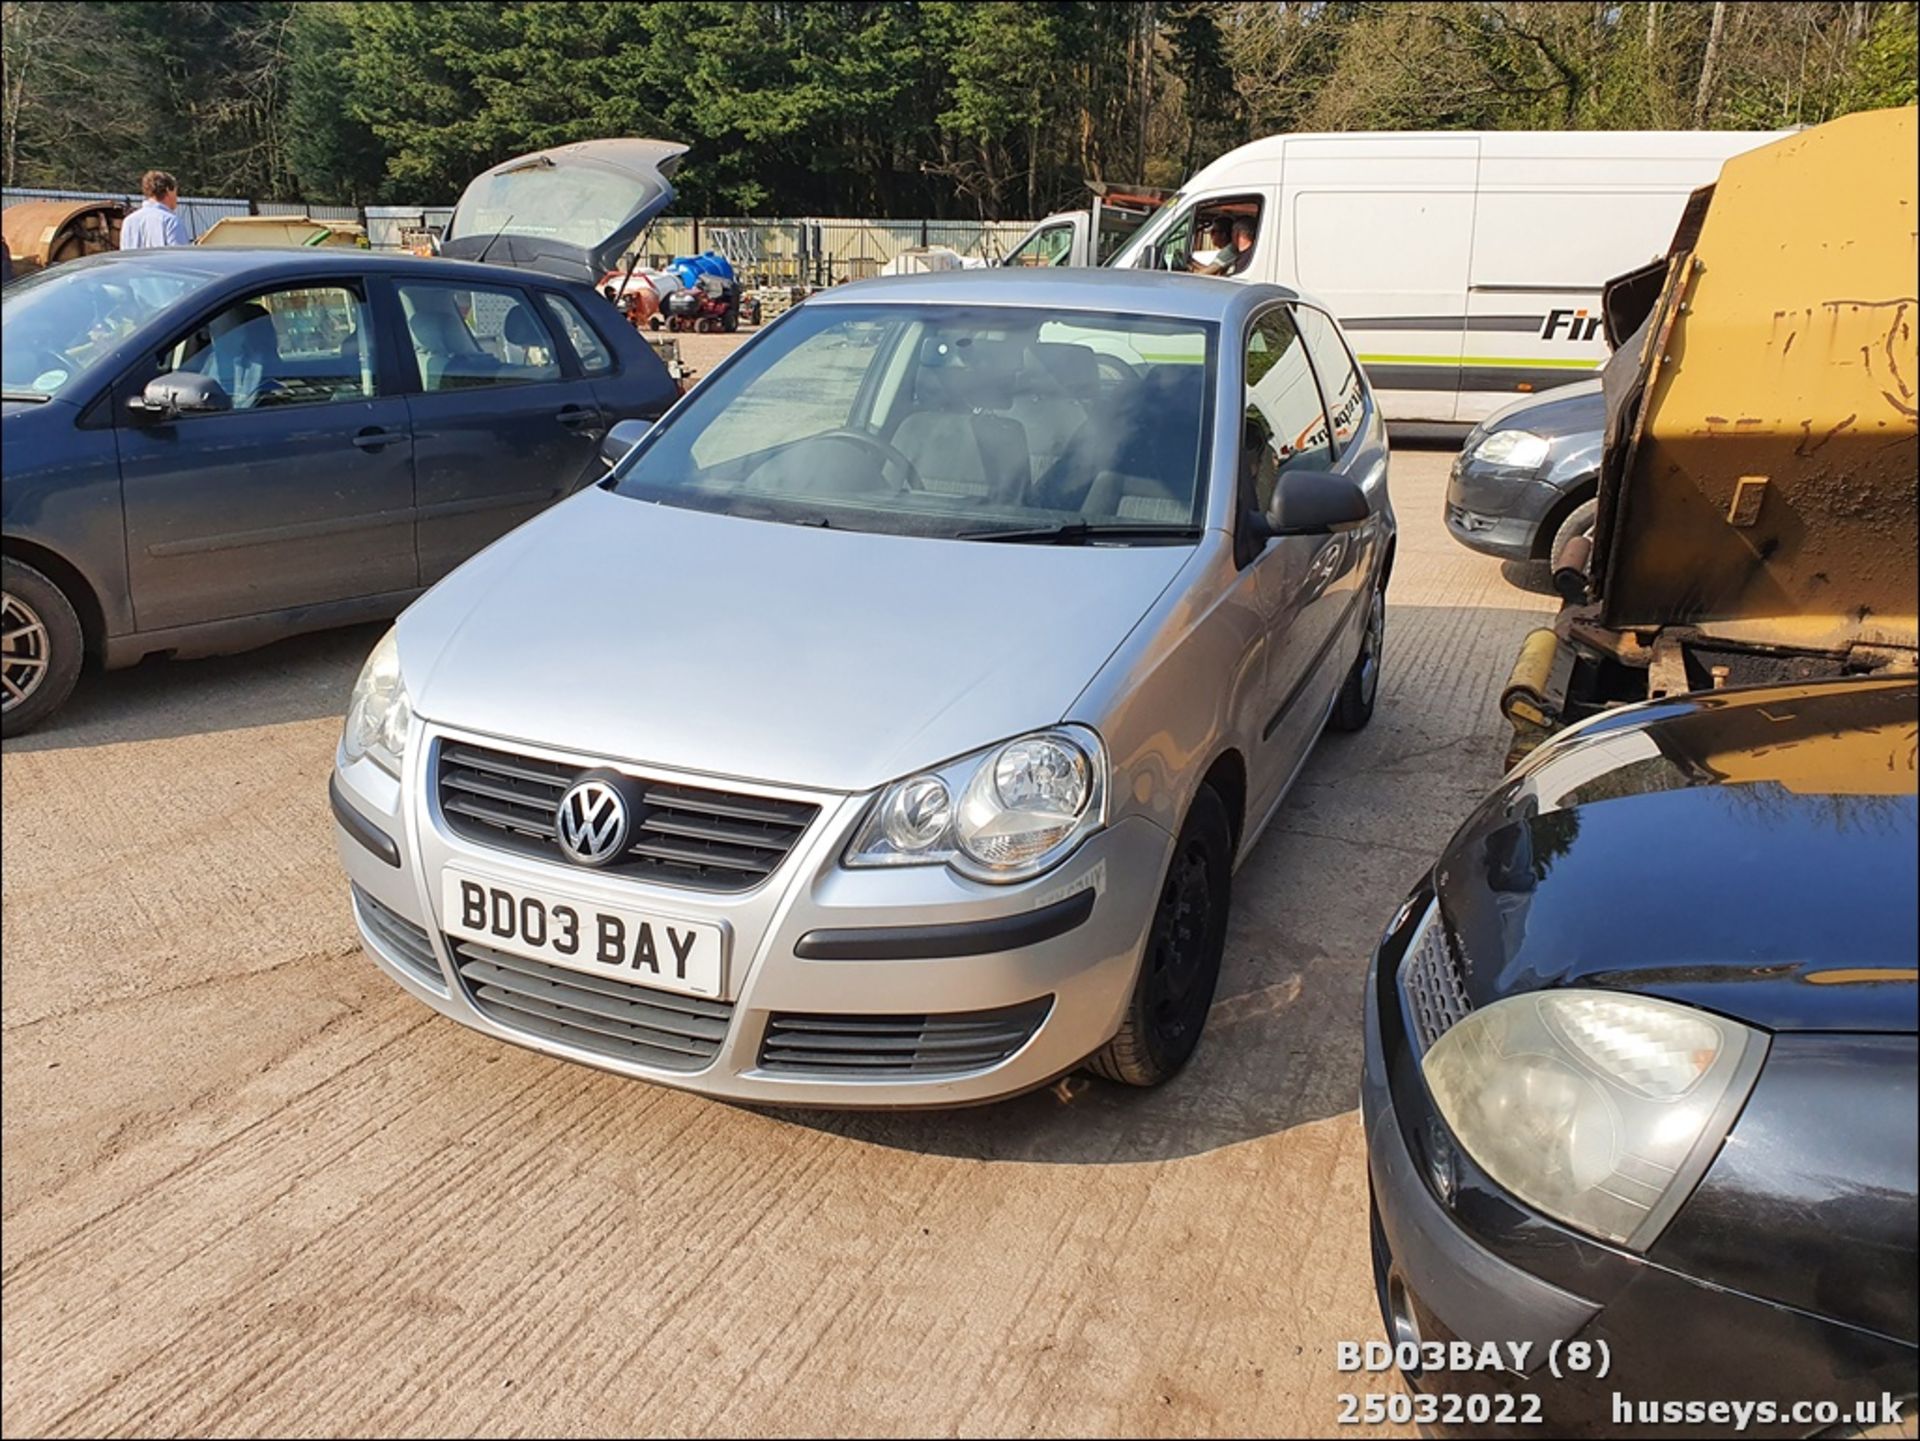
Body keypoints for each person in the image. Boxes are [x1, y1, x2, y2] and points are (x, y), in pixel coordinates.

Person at [119, 170, 190, 249]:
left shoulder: (128, 222)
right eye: (176, 193)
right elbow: (182, 258)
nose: (177, 198)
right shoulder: (171, 221)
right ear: (168, 190)